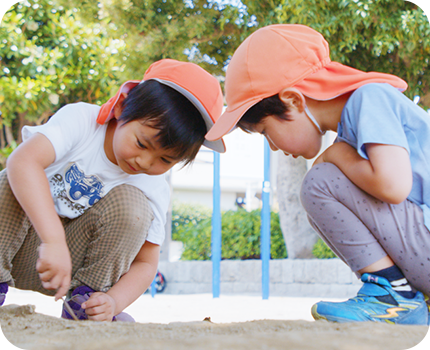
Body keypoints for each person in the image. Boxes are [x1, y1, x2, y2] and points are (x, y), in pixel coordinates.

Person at [205, 24, 430, 325]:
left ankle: (394, 298)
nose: (273, 146)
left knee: (320, 184)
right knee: (324, 181)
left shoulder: (369, 98)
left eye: (266, 132)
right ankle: (400, 295)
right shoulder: (353, 132)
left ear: (294, 100)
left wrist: (336, 155)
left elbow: (394, 185)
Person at [0, 58, 225, 322]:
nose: (145, 162)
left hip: (72, 267)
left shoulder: (153, 186)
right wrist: (52, 240)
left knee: (135, 208)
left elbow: (146, 263)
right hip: (21, 246)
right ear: (121, 107)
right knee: (10, 180)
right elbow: (22, 161)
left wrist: (114, 301)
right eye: (141, 143)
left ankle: (85, 306)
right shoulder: (83, 120)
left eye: (165, 160)